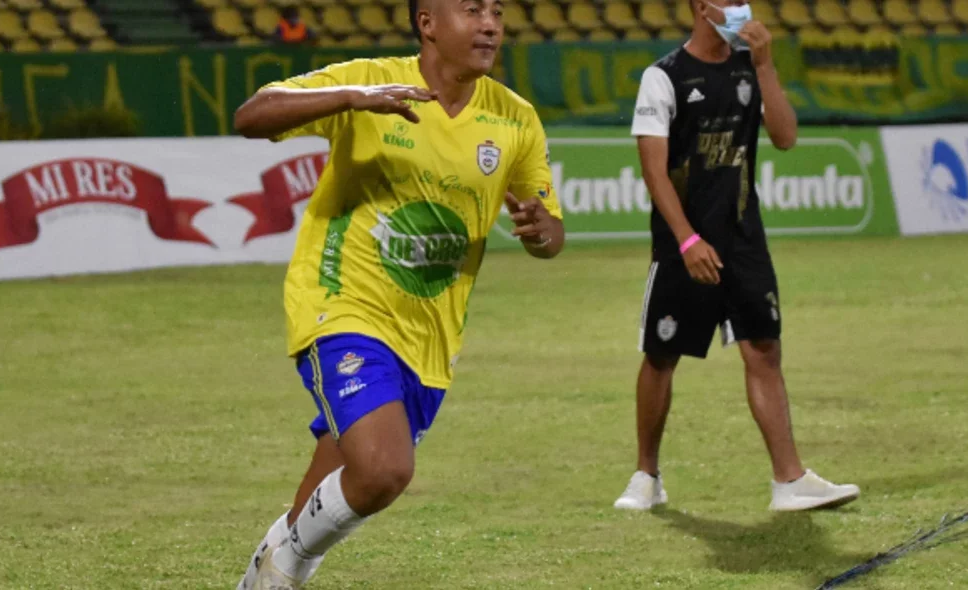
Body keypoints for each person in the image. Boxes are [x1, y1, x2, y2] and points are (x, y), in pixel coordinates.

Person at [231, 0, 564, 587]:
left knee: (337, 488)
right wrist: (349, 99)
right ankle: (285, 563)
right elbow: (253, 115)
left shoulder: (516, 120)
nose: (489, 24)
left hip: (430, 338)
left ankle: (270, 569)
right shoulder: (367, 84)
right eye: (471, 10)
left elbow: (551, 232)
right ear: (427, 23)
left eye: (496, 11)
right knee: (384, 470)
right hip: (342, 305)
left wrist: (544, 231)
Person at [614, 0, 860, 513]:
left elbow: (786, 137)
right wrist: (685, 240)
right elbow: (655, 172)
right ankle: (646, 475)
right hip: (685, 242)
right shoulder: (663, 77)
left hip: (744, 237)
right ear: (701, 7)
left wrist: (766, 65)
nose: (739, 6)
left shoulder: (751, 66)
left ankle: (789, 481)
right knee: (662, 356)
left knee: (763, 350)